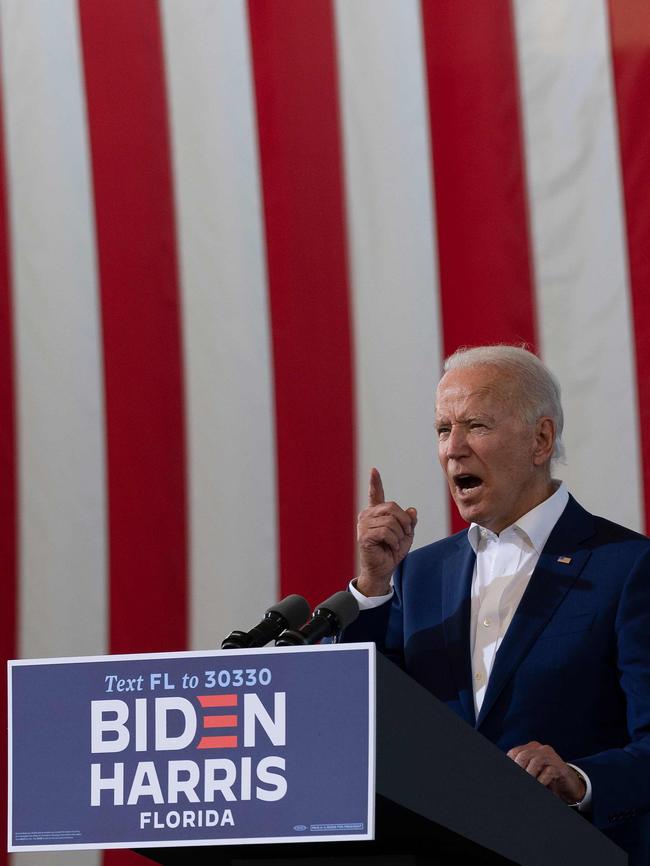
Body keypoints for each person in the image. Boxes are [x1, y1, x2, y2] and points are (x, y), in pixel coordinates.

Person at [341, 345, 650, 864]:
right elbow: (365, 716)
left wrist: (580, 780)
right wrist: (373, 585)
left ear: (540, 439)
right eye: (443, 429)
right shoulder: (419, 574)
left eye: (476, 426)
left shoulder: (627, 567)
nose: (453, 449)